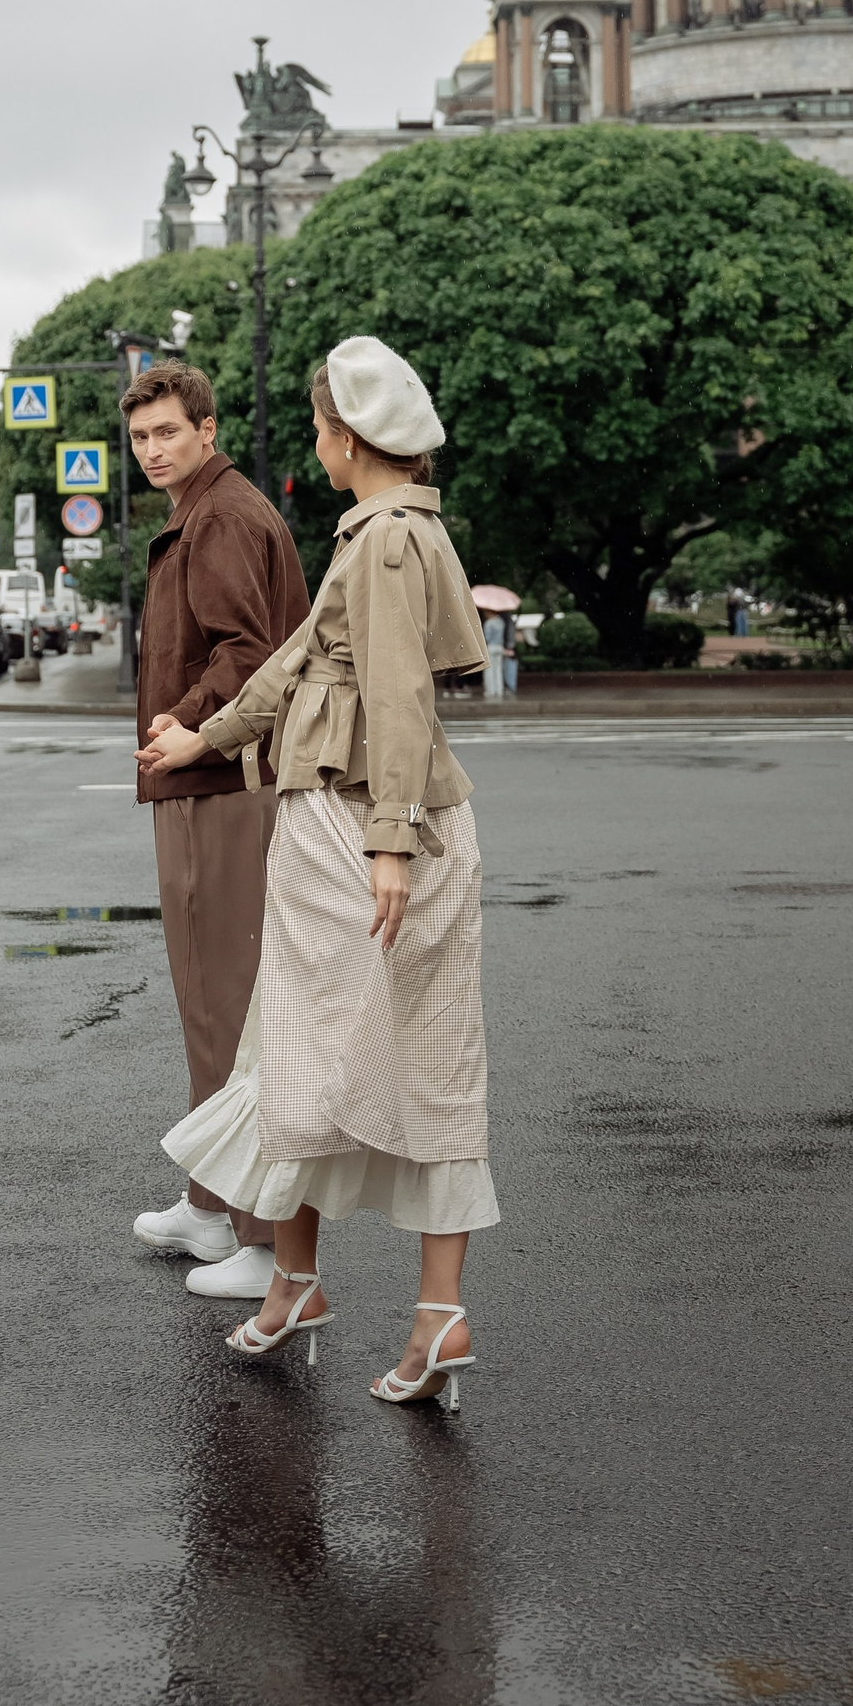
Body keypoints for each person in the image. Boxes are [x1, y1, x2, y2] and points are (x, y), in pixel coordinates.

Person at [141, 337, 495, 1410]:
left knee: (294, 1050)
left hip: (351, 823)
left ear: (349, 435)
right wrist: (206, 737)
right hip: (399, 822)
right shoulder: (395, 530)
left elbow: (395, 693)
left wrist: (388, 840)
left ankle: (300, 1281)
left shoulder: (380, 542)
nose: (315, 445)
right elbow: (294, 665)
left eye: (319, 428)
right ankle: (422, 1309)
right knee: (427, 1060)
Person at [126, 359, 312, 1305]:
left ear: (207, 428)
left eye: (168, 431)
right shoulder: (205, 511)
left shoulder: (223, 516)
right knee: (211, 1008)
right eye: (140, 436)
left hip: (220, 780)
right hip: (205, 777)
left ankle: (267, 1243)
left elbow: (250, 650)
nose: (153, 449)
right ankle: (210, 1204)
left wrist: (188, 721)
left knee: (232, 1015)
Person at [481, 609, 507, 701]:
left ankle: (490, 691)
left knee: (489, 670)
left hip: (491, 647)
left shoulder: (489, 623)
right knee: (498, 670)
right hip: (499, 647)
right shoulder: (501, 622)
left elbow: (487, 638)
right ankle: (499, 690)